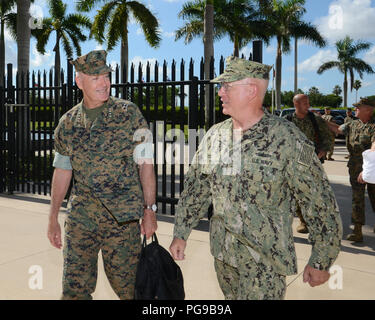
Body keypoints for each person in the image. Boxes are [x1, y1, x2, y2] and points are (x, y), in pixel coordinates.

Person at [169, 56, 342, 300]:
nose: (220, 92)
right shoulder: (214, 135)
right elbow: (196, 188)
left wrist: (322, 259)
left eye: (226, 86)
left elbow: (319, 201)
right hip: (224, 254)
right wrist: (181, 232)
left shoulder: (288, 139)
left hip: (265, 261)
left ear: (251, 91)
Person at [47, 50, 157, 299]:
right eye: (96, 77)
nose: (104, 83)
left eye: (106, 76)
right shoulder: (67, 123)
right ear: (79, 82)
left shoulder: (129, 114)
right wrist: (53, 216)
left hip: (122, 221)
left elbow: (146, 164)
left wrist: (149, 210)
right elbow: (63, 170)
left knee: (131, 290)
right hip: (81, 219)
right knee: (74, 290)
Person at [285, 94, 333, 233]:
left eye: (308, 102)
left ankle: (315, 220)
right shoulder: (286, 120)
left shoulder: (315, 119)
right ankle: (303, 221)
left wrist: (324, 149)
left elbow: (327, 136)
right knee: (295, 193)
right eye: (304, 103)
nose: (308, 105)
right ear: (296, 104)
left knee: (312, 192)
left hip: (309, 156)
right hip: (291, 159)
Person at [329, 97, 375, 242]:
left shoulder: (374, 126)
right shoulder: (352, 124)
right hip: (355, 167)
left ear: (368, 109)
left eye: (358, 107)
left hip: (371, 168)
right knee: (357, 199)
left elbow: (374, 148)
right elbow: (338, 129)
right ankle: (357, 230)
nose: (355, 109)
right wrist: (320, 120)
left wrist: (366, 170)